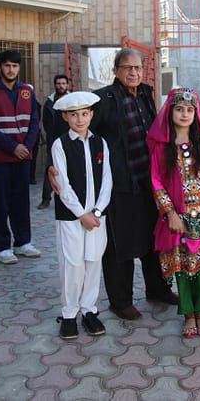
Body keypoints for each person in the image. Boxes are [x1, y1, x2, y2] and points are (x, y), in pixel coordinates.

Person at [89, 48, 178, 320]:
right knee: (121, 246)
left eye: (138, 68)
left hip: (148, 182)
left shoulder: (145, 95)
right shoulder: (102, 99)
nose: (133, 72)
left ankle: (158, 288)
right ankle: (120, 301)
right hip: (119, 185)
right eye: (127, 67)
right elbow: (83, 132)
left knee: (153, 239)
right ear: (116, 70)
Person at [146, 88, 200, 338]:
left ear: (196, 113)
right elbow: (156, 181)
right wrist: (170, 213)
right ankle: (188, 315)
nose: (184, 114)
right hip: (177, 220)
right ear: (170, 113)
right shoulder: (162, 147)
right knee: (182, 269)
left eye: (190, 110)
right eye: (179, 109)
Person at [51, 91, 112, 339]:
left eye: (84, 114)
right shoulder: (60, 145)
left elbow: (107, 180)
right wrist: (81, 214)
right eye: (74, 115)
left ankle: (89, 310)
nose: (80, 119)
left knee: (93, 261)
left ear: (91, 115)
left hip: (96, 217)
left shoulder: (100, 143)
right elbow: (63, 185)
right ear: (65, 117)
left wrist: (97, 211)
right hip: (71, 217)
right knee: (72, 264)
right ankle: (69, 314)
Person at [0, 49, 41, 264]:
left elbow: (34, 121)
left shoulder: (27, 91)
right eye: (7, 65)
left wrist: (26, 147)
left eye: (15, 66)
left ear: (19, 68)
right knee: (1, 203)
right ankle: (2, 247)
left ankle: (23, 242)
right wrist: (13, 147)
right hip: (1, 157)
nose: (11, 70)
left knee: (21, 201)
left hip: (23, 156)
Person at [37, 74, 70, 209]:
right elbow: (46, 123)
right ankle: (46, 199)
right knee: (50, 168)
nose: (61, 86)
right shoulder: (50, 102)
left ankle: (69, 199)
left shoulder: (72, 100)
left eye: (63, 83)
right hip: (54, 141)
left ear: (67, 85)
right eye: (58, 83)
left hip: (70, 140)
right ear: (55, 85)